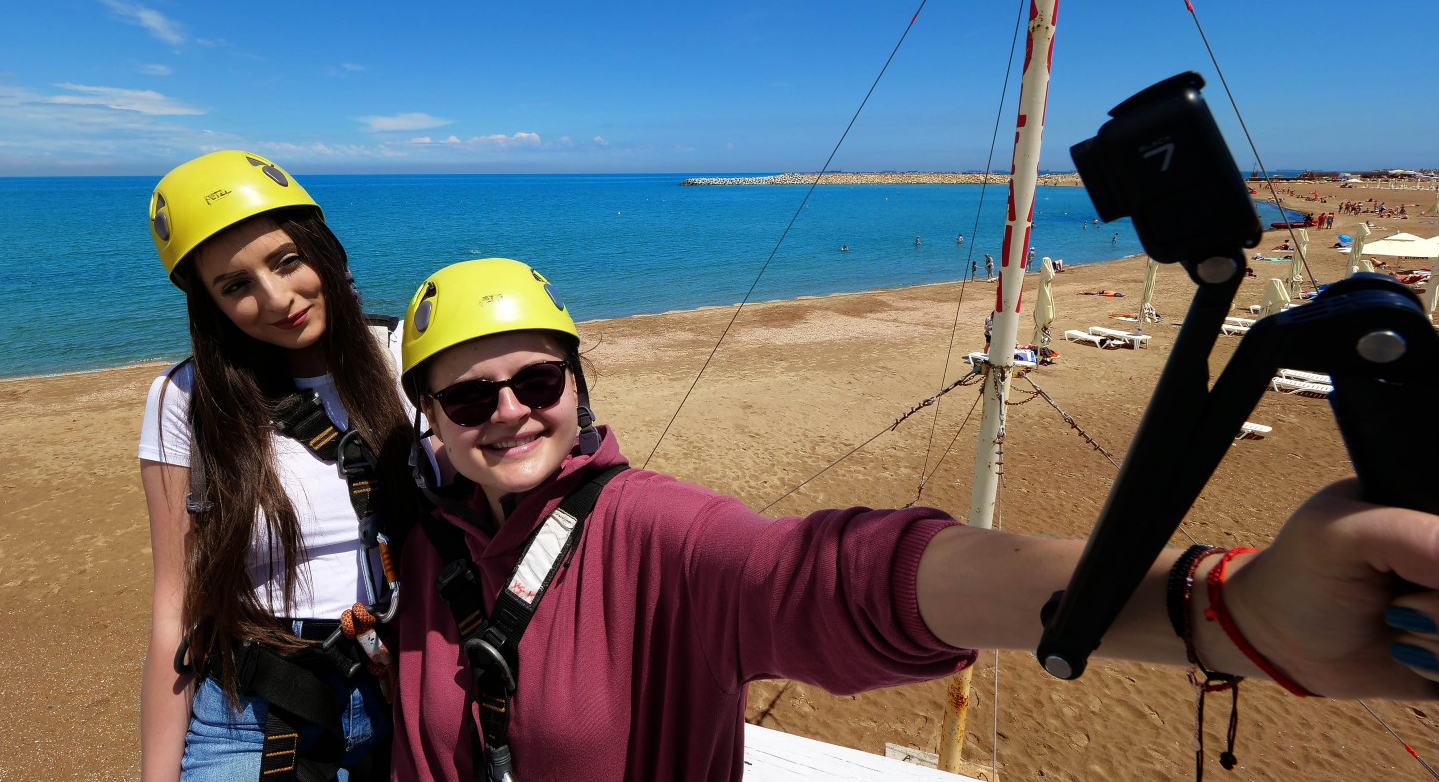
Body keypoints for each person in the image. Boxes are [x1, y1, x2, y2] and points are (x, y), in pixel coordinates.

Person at [388, 257, 1439, 782]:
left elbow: (839, 575)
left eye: (536, 378)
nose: (511, 411)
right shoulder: (421, 543)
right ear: (429, 419)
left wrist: (1223, 605)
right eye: (469, 398)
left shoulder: (653, 534)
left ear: (577, 383)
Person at [137, 151, 418, 782]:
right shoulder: (185, 400)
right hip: (251, 714)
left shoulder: (405, 359)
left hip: (405, 694)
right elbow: (174, 606)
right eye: (235, 286)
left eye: (287, 260)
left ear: (324, 249)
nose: (276, 298)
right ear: (208, 303)